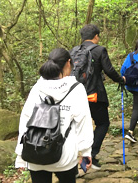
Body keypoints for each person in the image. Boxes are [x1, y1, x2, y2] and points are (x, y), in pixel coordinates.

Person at [15, 48, 93, 183]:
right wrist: (85, 151)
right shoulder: (76, 88)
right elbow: (83, 122)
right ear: (69, 62)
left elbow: (25, 120)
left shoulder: (37, 87)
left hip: (35, 151)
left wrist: (20, 154)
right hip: (64, 155)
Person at [77, 24, 125, 170]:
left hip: (76, 96)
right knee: (103, 123)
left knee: (76, 128)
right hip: (94, 95)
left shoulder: (74, 51)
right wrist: (121, 80)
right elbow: (109, 70)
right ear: (96, 36)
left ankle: (73, 162)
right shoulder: (99, 50)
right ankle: (91, 154)